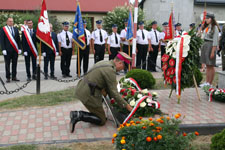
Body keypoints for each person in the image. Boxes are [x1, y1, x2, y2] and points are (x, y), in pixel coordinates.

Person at [69, 51, 133, 133]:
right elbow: (113, 92)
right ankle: (77, 115)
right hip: (88, 94)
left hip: (83, 88)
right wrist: (126, 106)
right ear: (120, 63)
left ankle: (95, 111)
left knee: (101, 113)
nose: (122, 69)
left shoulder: (105, 62)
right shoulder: (110, 71)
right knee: (102, 120)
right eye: (124, 67)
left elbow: (108, 89)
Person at [200, 13, 220, 86]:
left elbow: (215, 40)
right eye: (205, 18)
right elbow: (201, 36)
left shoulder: (214, 28)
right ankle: (207, 82)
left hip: (210, 46)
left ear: (211, 19)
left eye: (207, 18)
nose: (206, 20)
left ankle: (210, 83)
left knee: (211, 65)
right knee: (207, 66)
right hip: (205, 45)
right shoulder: (207, 27)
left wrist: (212, 52)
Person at [0, 17, 21, 83]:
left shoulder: (15, 29)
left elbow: (18, 40)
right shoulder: (3, 29)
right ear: (7, 22)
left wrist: (19, 48)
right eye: (10, 21)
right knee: (7, 64)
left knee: (15, 64)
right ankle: (8, 77)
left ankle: (14, 76)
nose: (11, 22)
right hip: (7, 50)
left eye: (12, 21)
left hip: (15, 50)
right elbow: (2, 40)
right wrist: (3, 49)